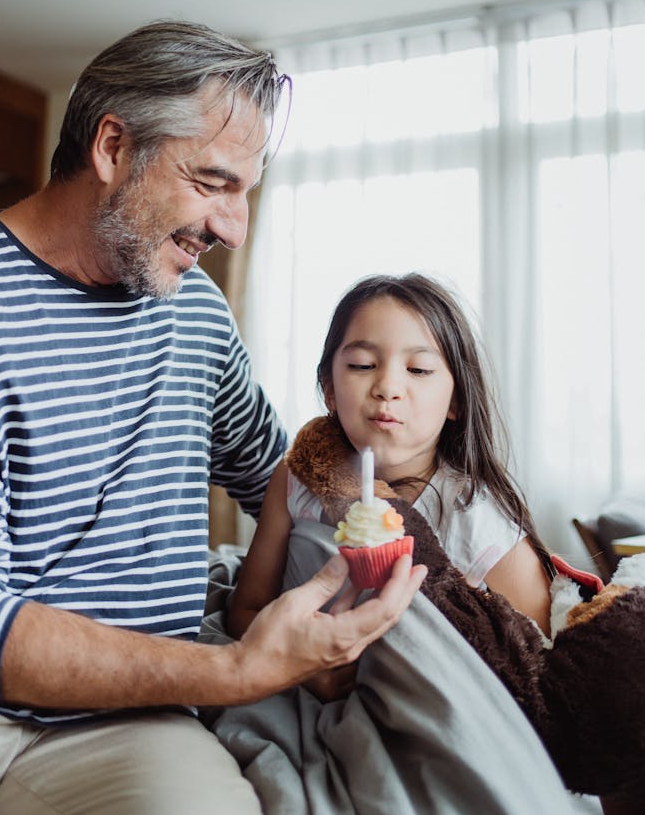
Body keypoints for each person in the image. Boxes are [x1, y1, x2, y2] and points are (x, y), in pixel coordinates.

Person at [0, 23, 426, 815]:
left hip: (129, 720)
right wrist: (234, 669)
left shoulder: (197, 316)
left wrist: (439, 502)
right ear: (113, 145)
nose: (234, 227)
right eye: (213, 181)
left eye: (245, 190)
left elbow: (283, 473)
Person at [228, 272, 554, 700]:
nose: (387, 388)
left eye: (418, 369)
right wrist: (304, 669)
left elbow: (536, 669)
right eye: (362, 366)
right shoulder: (294, 483)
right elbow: (246, 611)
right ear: (328, 387)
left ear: (456, 400)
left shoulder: (479, 522)